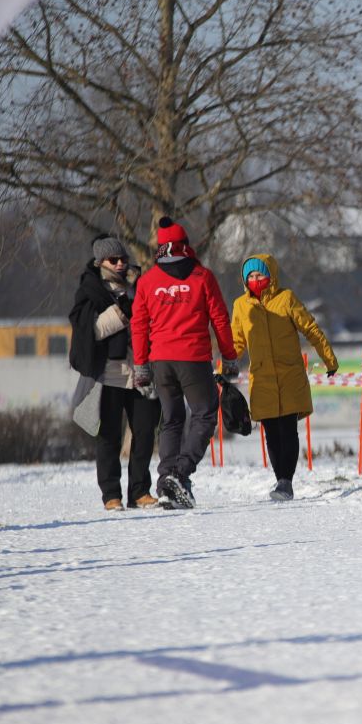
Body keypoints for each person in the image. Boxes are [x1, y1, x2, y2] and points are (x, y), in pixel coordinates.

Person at [130, 217, 238, 510]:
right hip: (193, 358)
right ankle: (180, 473)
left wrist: (141, 364)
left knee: (172, 419)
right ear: (184, 245)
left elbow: (138, 325)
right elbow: (219, 319)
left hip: (161, 361)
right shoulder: (202, 277)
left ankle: (167, 480)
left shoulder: (147, 281)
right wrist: (228, 356)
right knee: (204, 415)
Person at [229, 253, 339, 501]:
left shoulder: (286, 298)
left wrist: (328, 359)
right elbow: (235, 341)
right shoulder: (240, 306)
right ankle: (281, 480)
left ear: (271, 276)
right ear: (245, 280)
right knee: (271, 433)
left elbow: (310, 328)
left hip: (289, 375)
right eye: (251, 276)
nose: (256, 279)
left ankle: (286, 481)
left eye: (260, 274)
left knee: (288, 430)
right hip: (262, 378)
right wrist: (222, 367)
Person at [68, 234, 160, 510]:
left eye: (123, 259)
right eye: (114, 260)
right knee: (109, 436)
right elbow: (90, 331)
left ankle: (140, 491)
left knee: (144, 432)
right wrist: (122, 312)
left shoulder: (140, 286)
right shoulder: (89, 290)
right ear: (100, 262)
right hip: (108, 374)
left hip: (142, 372)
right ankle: (111, 494)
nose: (120, 264)